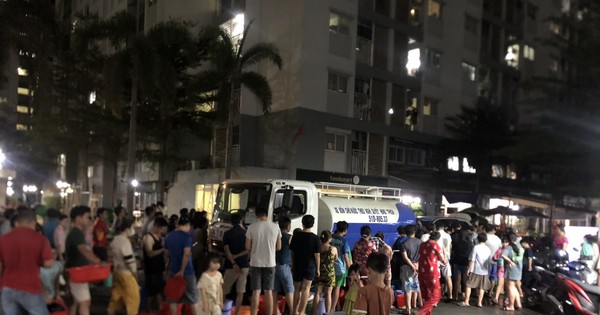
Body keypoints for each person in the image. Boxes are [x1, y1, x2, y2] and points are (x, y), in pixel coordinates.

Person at [0, 210, 55, 314]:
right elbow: (49, 263)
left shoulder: (3, 239)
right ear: (33, 222)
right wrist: (37, 261)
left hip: (7, 287)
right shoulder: (40, 239)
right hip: (30, 287)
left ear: (16, 223)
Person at [65, 206, 102, 315]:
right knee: (85, 302)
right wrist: (98, 261)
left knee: (76, 302)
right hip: (77, 272)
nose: (88, 220)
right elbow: (83, 250)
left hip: (75, 272)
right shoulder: (76, 233)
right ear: (78, 218)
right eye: (86, 217)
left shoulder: (75, 232)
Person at [245, 207, 282, 315]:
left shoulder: (252, 227)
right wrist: (269, 249)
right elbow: (279, 247)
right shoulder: (275, 227)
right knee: (268, 291)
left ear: (256, 215)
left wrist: (255, 248)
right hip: (270, 263)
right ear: (267, 214)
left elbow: (247, 246)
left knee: (256, 291)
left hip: (255, 262)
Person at [165, 215, 198, 314]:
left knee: (173, 298)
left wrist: (166, 268)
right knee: (193, 298)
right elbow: (186, 254)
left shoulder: (169, 236)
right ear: (187, 225)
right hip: (187, 272)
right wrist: (182, 271)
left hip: (172, 270)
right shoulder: (187, 237)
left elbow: (166, 254)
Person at [290, 215, 321, 315]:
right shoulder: (315, 238)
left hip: (298, 265)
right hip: (310, 266)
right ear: (313, 224)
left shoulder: (296, 235)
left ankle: (294, 311)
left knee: (296, 289)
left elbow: (292, 252)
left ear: (302, 223)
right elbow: (317, 256)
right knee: (306, 289)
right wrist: (318, 269)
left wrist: (293, 264)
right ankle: (302, 311)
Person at [108, 219, 140, 315]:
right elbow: (130, 261)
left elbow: (110, 256)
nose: (133, 230)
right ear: (127, 229)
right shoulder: (125, 242)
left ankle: (110, 312)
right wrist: (135, 274)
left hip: (116, 272)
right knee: (133, 299)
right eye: (132, 228)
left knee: (116, 298)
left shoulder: (114, 240)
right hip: (126, 274)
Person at [222, 214, 249, 315]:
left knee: (224, 291)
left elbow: (226, 250)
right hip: (244, 265)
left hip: (230, 266)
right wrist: (237, 256)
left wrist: (233, 261)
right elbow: (248, 250)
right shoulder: (246, 233)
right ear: (241, 220)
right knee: (240, 292)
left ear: (231, 222)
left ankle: (220, 311)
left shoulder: (227, 233)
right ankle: (236, 313)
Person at [458, 233, 491, 307]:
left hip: (475, 269)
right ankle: (479, 302)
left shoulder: (476, 247)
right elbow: (489, 261)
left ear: (478, 239)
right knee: (481, 287)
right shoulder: (488, 249)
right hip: (484, 271)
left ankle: (466, 301)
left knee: (468, 285)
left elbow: (472, 259)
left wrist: (469, 269)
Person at [143, 217, 169, 312]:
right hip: (151, 269)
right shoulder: (148, 238)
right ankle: (149, 310)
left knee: (158, 289)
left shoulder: (159, 237)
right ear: (157, 227)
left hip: (159, 268)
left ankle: (160, 308)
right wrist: (162, 250)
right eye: (162, 229)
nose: (163, 231)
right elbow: (149, 253)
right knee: (151, 291)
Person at [417, 232, 446, 315]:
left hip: (422, 271)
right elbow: (443, 260)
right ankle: (421, 311)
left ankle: (427, 313)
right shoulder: (435, 245)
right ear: (437, 239)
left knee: (426, 294)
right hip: (432, 272)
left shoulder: (422, 245)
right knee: (436, 295)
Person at [399, 225, 422, 315]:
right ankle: (414, 305)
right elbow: (422, 255)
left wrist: (412, 265)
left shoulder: (403, 243)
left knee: (407, 287)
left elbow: (405, 257)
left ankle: (408, 309)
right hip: (417, 265)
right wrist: (417, 265)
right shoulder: (420, 242)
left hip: (407, 267)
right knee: (415, 286)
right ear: (414, 232)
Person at [313, 230, 338, 315]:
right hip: (329, 273)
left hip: (319, 272)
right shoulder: (333, 249)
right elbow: (336, 259)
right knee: (328, 293)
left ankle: (314, 312)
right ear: (330, 239)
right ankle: (327, 313)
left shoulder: (318, 247)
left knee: (318, 293)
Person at [273, 216, 294, 315]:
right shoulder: (290, 238)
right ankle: (293, 311)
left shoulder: (274, 236)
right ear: (288, 226)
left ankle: (276, 312)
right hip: (284, 265)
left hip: (273, 265)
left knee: (274, 290)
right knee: (289, 289)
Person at [331, 221, 352, 312]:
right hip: (340, 268)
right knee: (337, 288)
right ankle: (333, 308)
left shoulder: (330, 238)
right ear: (345, 230)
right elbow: (346, 257)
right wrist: (350, 270)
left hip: (329, 267)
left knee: (329, 289)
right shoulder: (343, 241)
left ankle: (330, 307)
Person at [501, 234, 523, 311]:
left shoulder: (509, 248)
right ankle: (518, 304)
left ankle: (511, 305)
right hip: (519, 269)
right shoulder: (520, 247)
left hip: (511, 269)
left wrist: (509, 261)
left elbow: (502, 255)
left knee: (510, 288)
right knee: (514, 287)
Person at [451, 228, 473, 302]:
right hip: (466, 263)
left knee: (457, 280)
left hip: (457, 262)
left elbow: (453, 251)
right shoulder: (470, 243)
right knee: (465, 280)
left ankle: (455, 295)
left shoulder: (457, 243)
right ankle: (465, 295)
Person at [434, 222, 453, 301]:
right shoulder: (448, 235)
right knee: (448, 277)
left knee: (437, 278)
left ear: (436, 227)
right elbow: (450, 246)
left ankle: (438, 295)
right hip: (446, 258)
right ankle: (450, 295)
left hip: (437, 258)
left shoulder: (435, 235)